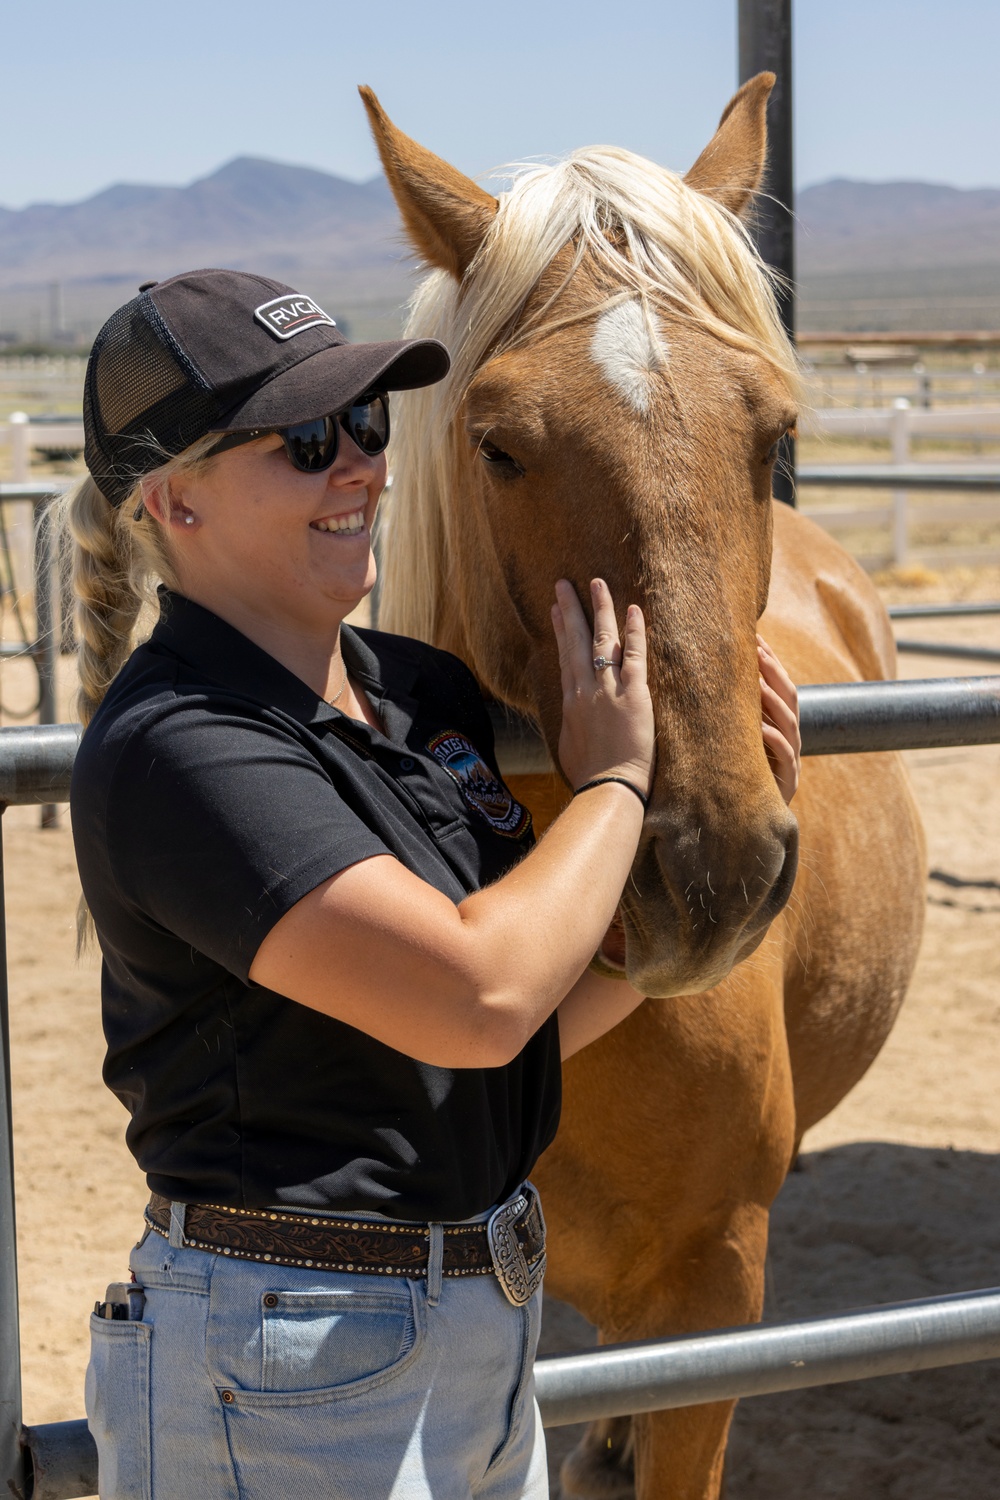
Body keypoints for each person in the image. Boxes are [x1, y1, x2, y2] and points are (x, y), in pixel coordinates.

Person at [63, 268, 800, 1500]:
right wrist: (619, 787)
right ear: (174, 498)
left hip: (472, 1322)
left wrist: (689, 910)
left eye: (367, 426)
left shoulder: (418, 695)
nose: (359, 466)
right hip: (283, 1354)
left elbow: (517, 1039)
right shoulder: (183, 745)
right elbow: (478, 996)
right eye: (303, 443)